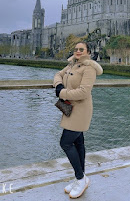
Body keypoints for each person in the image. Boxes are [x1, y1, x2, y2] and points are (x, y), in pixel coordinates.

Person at [53, 42, 103, 199]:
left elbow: (83, 92)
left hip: (81, 110)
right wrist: (58, 86)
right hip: (71, 109)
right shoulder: (71, 65)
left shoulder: (89, 68)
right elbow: (58, 75)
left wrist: (62, 93)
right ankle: (81, 178)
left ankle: (80, 179)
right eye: (76, 49)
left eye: (81, 49)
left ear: (88, 51)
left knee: (65, 143)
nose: (78, 51)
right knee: (78, 143)